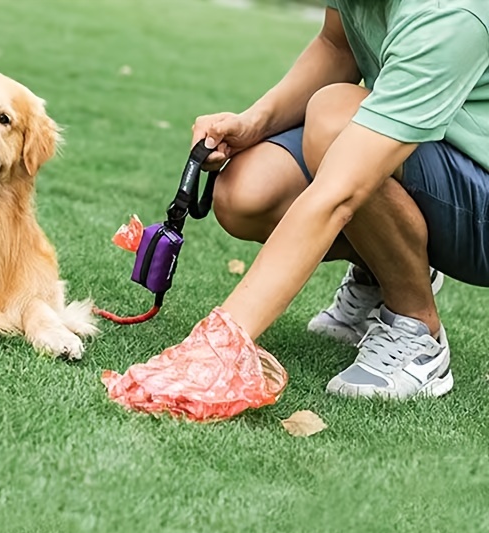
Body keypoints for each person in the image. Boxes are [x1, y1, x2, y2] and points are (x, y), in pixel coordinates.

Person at [192, 0, 489, 399]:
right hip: (420, 145)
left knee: (334, 121)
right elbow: (337, 46)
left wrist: (221, 341)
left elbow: (338, 195)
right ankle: (386, 266)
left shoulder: (451, 12)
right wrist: (254, 122)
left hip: (480, 196)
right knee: (248, 193)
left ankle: (417, 330)